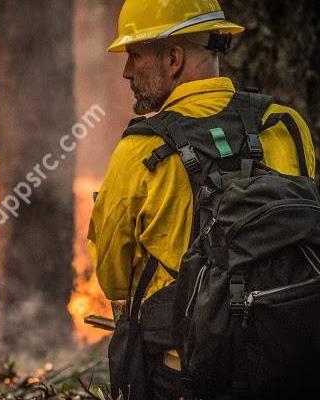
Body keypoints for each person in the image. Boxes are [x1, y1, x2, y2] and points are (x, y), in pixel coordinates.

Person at [87, 0, 316, 399]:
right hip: (292, 362)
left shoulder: (140, 151)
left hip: (186, 377)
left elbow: (114, 280)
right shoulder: (285, 124)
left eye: (135, 55)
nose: (126, 71)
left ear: (173, 58)